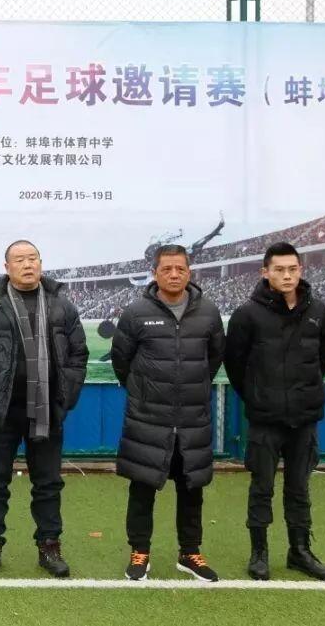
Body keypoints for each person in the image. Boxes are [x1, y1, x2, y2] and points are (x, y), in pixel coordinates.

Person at [0, 240, 88, 577]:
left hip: (47, 411)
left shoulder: (61, 304)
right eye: (19, 259)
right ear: (7, 267)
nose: (27, 264)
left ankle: (49, 547)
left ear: (41, 263)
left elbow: (78, 355)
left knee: (48, 484)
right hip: (2, 412)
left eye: (33, 258)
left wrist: (65, 398)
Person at [111, 244, 225, 582]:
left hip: (192, 419)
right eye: (167, 269)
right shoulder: (135, 313)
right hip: (148, 419)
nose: (174, 274)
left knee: (192, 489)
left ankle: (190, 553)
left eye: (180, 269)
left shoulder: (208, 312)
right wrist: (147, 393)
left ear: (189, 272)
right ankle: (140, 552)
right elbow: (122, 362)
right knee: (142, 489)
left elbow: (213, 359)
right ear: (155, 273)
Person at [225, 242, 325, 581]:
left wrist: (302, 394)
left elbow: (324, 358)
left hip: (304, 420)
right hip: (265, 420)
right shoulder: (247, 314)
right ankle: (259, 553)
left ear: (300, 270)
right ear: (265, 272)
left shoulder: (318, 311)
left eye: (292, 269)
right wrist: (259, 396)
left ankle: (299, 551)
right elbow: (235, 364)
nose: (287, 275)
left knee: (299, 488)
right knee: (262, 487)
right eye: (279, 270)